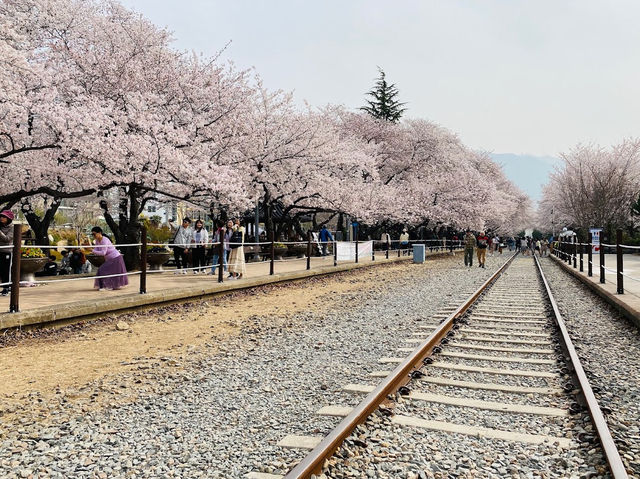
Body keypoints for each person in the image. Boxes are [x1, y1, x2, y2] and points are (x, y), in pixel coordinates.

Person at [90, 226, 128, 290]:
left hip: (115, 258)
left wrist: (92, 250)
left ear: (99, 233)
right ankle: (108, 285)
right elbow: (96, 249)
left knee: (103, 270)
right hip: (110, 259)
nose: (93, 236)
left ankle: (107, 286)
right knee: (108, 271)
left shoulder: (105, 240)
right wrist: (89, 250)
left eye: (94, 234)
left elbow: (103, 252)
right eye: (92, 234)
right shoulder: (97, 241)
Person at [0, 210, 14, 296]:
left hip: (7, 251)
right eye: (1, 216)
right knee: (1, 270)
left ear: (9, 219)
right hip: (0, 250)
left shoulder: (12, 227)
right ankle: (3, 286)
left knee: (6, 270)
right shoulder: (1, 226)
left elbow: (7, 239)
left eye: (4, 217)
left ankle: (7, 287)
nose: (1, 218)